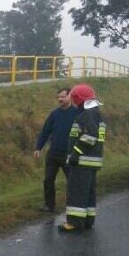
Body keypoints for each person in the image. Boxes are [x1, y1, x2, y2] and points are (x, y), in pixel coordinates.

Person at [58, 84, 105, 233]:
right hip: (91, 161)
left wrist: (75, 154)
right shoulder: (95, 112)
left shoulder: (88, 114)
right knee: (88, 193)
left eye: (74, 98)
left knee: (77, 192)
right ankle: (87, 220)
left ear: (79, 99)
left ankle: (74, 222)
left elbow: (90, 136)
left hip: (82, 161)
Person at [33, 87, 79, 212]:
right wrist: (38, 147)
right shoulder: (54, 114)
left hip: (68, 154)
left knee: (72, 181)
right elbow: (46, 131)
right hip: (53, 153)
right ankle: (49, 205)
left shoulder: (77, 113)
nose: (60, 99)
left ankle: (74, 205)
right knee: (48, 179)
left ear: (70, 97)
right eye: (58, 97)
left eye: (63, 97)